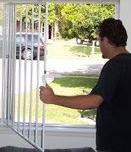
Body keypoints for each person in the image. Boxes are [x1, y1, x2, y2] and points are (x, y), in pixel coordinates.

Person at [39, 18, 131, 152]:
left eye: (99, 41)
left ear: (105, 40)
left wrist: (53, 98)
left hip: (116, 146)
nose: (99, 46)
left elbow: (93, 101)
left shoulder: (115, 65)